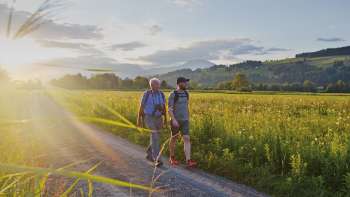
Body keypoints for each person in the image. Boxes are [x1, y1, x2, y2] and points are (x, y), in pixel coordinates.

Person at [137, 78, 167, 167]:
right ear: (151, 85)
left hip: (158, 117)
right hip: (149, 117)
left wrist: (165, 119)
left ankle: (149, 152)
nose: (157, 86)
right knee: (155, 136)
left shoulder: (161, 94)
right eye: (155, 84)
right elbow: (141, 107)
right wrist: (138, 119)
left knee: (156, 136)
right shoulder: (146, 94)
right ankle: (157, 159)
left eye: (158, 84)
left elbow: (164, 106)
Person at [168, 77, 197, 168]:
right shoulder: (173, 94)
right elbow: (169, 109)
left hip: (185, 121)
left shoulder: (186, 93)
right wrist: (174, 120)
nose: (186, 84)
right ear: (179, 83)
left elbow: (186, 106)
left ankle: (188, 160)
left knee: (187, 138)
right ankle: (172, 157)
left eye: (186, 83)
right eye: (184, 83)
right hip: (175, 121)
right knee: (174, 139)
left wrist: (188, 117)